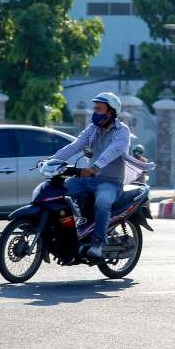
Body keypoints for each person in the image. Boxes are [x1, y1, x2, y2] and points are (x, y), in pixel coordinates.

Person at [50, 92, 140, 258]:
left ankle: (98, 242)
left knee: (102, 202)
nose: (95, 112)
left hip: (111, 183)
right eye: (94, 109)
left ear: (110, 112)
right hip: (88, 179)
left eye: (99, 109)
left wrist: (96, 166)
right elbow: (74, 147)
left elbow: (113, 150)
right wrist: (51, 160)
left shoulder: (122, 132)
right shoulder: (92, 130)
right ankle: (68, 231)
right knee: (59, 191)